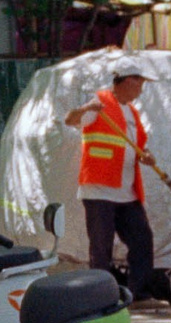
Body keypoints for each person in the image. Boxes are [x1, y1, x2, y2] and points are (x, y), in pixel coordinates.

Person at [63, 56, 154, 299]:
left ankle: (137, 293)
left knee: (142, 240)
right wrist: (85, 109)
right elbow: (70, 120)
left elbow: (137, 146)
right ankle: (99, 297)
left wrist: (145, 155)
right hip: (99, 191)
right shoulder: (100, 104)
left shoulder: (131, 112)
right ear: (125, 81)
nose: (141, 87)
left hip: (126, 192)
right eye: (139, 81)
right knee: (101, 248)